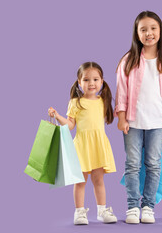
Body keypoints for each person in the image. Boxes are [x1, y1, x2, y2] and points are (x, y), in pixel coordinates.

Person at [115, 11, 162, 224]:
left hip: (158, 122)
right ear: (136, 33)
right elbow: (121, 91)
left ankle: (148, 207)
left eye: (153, 28)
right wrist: (122, 117)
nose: (149, 33)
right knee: (132, 164)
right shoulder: (129, 60)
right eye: (143, 29)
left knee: (153, 164)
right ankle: (132, 206)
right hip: (133, 121)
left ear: (160, 31)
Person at [48, 62, 117, 225]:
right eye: (86, 80)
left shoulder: (103, 101)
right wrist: (57, 116)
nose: (91, 83)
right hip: (82, 147)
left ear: (102, 81)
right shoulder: (75, 102)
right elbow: (70, 125)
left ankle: (102, 210)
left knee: (99, 180)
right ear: (79, 82)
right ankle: (79, 212)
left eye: (95, 79)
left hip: (98, 145)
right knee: (80, 181)